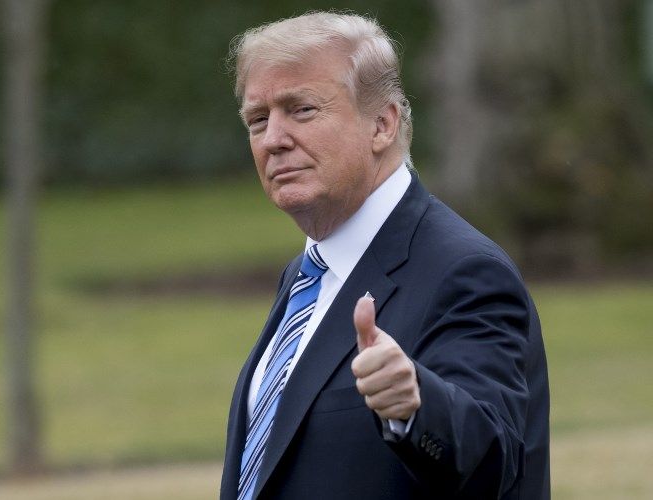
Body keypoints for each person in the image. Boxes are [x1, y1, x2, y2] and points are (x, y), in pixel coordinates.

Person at [220, 11, 549, 500]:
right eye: (258, 119)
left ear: (382, 124)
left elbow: (495, 459)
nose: (273, 140)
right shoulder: (308, 274)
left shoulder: (465, 271)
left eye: (302, 110)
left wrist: (416, 406)